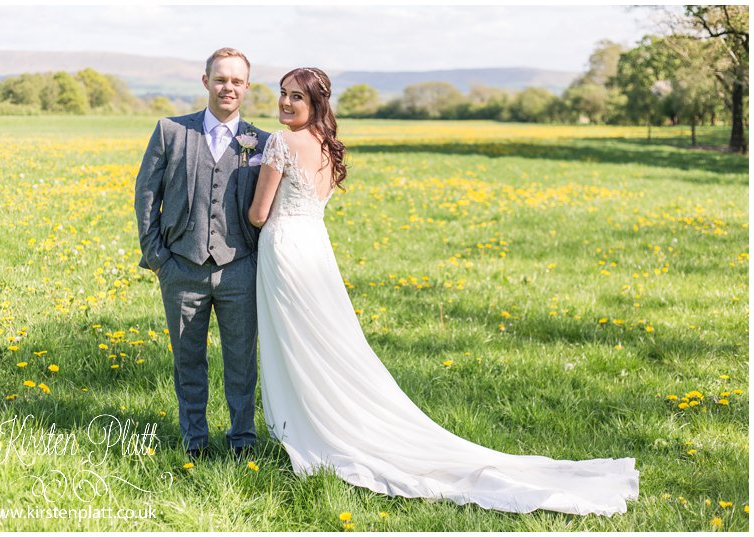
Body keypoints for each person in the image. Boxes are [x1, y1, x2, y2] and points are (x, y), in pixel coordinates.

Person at [248, 67, 639, 516]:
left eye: (295, 97)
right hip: (316, 247)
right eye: (281, 94)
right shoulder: (326, 147)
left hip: (285, 247)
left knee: (300, 343)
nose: (284, 103)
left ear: (316, 103)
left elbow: (260, 214)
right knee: (328, 342)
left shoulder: (281, 143)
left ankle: (315, 427)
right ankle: (330, 417)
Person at [135, 48, 269, 461]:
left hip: (240, 269)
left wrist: (259, 262)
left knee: (241, 364)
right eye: (220, 78)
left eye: (236, 81)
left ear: (246, 87)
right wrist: (158, 257)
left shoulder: (261, 142)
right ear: (206, 80)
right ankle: (195, 441)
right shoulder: (170, 131)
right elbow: (145, 194)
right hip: (181, 267)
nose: (228, 87)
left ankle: (242, 441)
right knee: (188, 361)